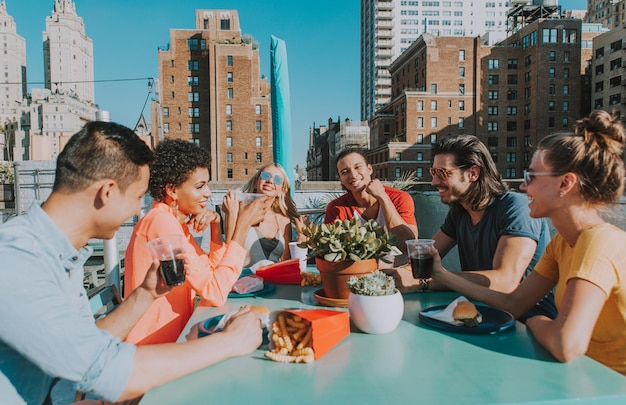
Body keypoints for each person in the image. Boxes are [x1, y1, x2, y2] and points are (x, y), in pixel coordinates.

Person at [0, 122, 264, 403]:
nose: (140, 209)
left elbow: (87, 340)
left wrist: (146, 294)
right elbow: (103, 370)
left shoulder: (58, 253)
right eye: (138, 196)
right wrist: (229, 341)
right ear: (108, 191)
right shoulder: (16, 260)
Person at [430, 111, 626, 374]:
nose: (524, 187)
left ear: (565, 183)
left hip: (610, 387)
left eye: (532, 177)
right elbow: (513, 303)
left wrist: (536, 322)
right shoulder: (561, 245)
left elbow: (565, 343)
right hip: (581, 375)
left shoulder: (597, 243)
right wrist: (439, 274)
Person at [385, 134, 556, 321]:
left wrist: (425, 282)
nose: (434, 182)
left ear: (473, 173)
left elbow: (504, 282)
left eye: (442, 173)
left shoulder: (516, 208)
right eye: (433, 172)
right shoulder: (459, 213)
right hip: (477, 316)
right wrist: (385, 273)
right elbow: (424, 259)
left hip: (527, 325)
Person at [123, 139, 271, 345]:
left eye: (207, 184)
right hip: (154, 347)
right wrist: (242, 225)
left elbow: (211, 272)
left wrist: (217, 225)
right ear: (172, 190)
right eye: (200, 186)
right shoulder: (161, 223)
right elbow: (216, 292)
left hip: (176, 337)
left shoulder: (172, 221)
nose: (208, 193)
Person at [324, 149, 418, 259]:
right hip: (356, 271)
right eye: (345, 172)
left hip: (398, 270)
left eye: (357, 167)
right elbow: (329, 251)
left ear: (369, 169)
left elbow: (409, 245)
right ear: (340, 179)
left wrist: (382, 197)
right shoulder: (336, 208)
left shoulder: (399, 198)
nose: (353, 175)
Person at [222, 163, 306, 269]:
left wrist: (301, 237)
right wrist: (231, 215)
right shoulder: (238, 211)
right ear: (256, 183)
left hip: (274, 281)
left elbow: (286, 262)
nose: (270, 181)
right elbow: (229, 254)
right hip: (243, 281)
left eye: (277, 180)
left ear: (282, 190)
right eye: (265, 176)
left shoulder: (284, 221)